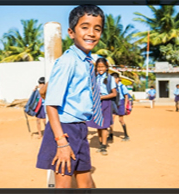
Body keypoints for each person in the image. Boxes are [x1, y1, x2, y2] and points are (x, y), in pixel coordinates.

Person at [36, 4, 105, 188]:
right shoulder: (67, 61)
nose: (91, 33)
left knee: (86, 181)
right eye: (85, 27)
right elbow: (50, 104)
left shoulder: (87, 62)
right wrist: (61, 142)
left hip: (80, 127)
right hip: (64, 130)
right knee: (64, 183)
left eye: (97, 29)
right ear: (71, 32)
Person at [86, 58, 117, 156]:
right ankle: (100, 144)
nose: (100, 69)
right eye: (98, 67)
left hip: (105, 103)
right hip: (95, 103)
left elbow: (114, 93)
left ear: (106, 67)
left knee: (104, 126)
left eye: (102, 66)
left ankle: (104, 145)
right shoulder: (94, 77)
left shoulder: (110, 78)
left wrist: (102, 97)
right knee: (97, 125)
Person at [109, 73, 130, 142]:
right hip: (114, 102)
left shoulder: (122, 86)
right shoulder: (111, 87)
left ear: (118, 79)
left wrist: (125, 106)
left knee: (121, 120)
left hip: (121, 103)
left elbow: (126, 96)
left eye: (114, 79)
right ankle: (111, 135)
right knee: (111, 120)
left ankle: (126, 135)